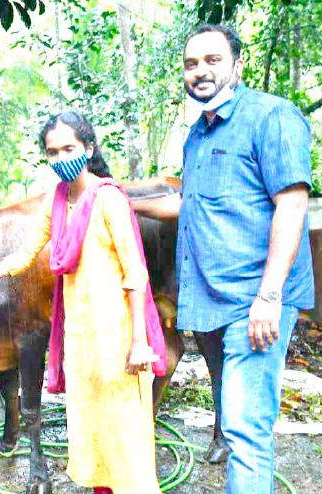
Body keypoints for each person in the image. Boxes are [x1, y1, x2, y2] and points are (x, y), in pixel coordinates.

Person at [133, 25, 313, 493]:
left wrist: (269, 297)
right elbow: (189, 202)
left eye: (212, 60)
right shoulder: (198, 135)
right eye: (191, 64)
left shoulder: (271, 116)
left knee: (245, 432)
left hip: (255, 299)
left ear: (237, 65)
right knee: (238, 425)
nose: (200, 72)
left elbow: (292, 205)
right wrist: (123, 203)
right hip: (211, 300)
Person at [0, 111, 165, 494]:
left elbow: (136, 275)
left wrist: (139, 342)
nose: (61, 157)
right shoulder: (58, 201)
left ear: (89, 148)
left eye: (69, 148)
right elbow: (20, 258)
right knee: (94, 433)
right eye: (52, 152)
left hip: (118, 340)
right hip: (81, 343)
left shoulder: (108, 199)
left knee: (124, 439)